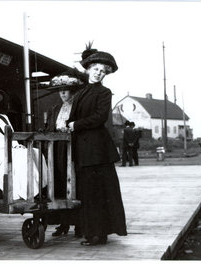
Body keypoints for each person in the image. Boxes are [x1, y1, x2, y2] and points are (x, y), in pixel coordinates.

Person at [67, 44, 127, 246]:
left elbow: (100, 118)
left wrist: (75, 124)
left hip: (97, 151)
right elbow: (74, 117)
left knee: (98, 193)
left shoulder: (104, 92)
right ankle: (92, 232)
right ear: (88, 69)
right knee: (88, 192)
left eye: (103, 72)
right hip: (84, 150)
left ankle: (98, 234)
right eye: (96, 70)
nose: (99, 73)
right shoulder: (81, 92)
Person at [44, 69, 86, 237]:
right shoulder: (56, 109)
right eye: (60, 90)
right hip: (58, 149)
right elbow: (50, 128)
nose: (62, 93)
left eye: (66, 90)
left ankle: (80, 225)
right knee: (59, 184)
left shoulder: (78, 108)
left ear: (72, 91)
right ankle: (63, 224)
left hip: (74, 149)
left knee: (75, 184)